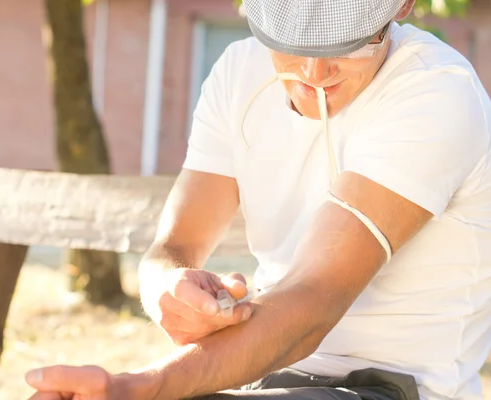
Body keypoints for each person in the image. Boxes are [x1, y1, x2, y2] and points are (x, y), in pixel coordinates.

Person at [24, 0, 491, 398]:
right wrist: (169, 289)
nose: (313, 72)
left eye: (348, 40)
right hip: (271, 378)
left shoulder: (437, 91)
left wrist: (138, 388)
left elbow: (312, 301)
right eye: (289, 39)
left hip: (394, 387)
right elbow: (174, 245)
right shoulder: (238, 70)